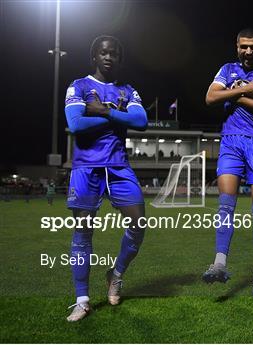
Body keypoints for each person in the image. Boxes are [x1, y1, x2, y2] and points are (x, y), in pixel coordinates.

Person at [64, 35, 148, 321]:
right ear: (94, 57)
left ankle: (116, 273)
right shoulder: (79, 85)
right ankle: (82, 299)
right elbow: (76, 124)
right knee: (83, 233)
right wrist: (115, 116)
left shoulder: (127, 90)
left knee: (139, 222)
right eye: (103, 53)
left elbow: (141, 122)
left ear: (119, 58)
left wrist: (103, 111)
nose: (109, 57)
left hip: (118, 166)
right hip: (86, 167)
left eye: (114, 53)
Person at [202, 28, 253, 298]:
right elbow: (210, 97)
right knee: (226, 204)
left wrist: (237, 94)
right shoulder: (226, 69)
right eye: (244, 46)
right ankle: (220, 263)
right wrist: (247, 90)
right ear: (237, 46)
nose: (248, 51)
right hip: (230, 142)